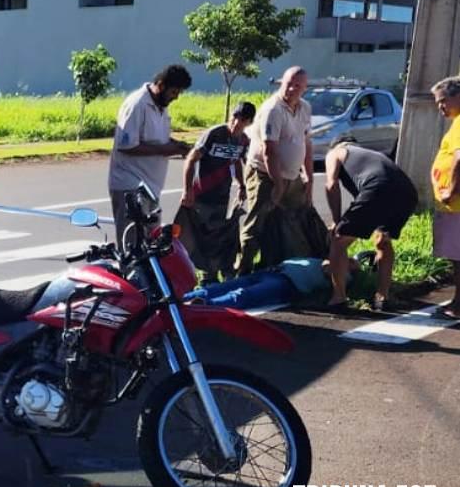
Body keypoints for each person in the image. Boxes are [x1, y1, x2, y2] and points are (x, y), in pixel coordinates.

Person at [323, 140, 418, 312]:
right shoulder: (372, 155)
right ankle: (382, 298)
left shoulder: (336, 152)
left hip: (378, 186)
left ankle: (338, 299)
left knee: (339, 240)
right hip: (407, 192)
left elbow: (331, 184)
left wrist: (337, 221)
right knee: (383, 241)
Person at [236, 66, 314, 274]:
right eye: (288, 84)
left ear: (304, 88)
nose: (291, 89)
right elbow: (269, 150)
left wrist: (309, 179)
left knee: (296, 216)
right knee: (256, 223)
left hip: (292, 175)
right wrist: (278, 184)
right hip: (264, 173)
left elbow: (306, 143)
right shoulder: (273, 109)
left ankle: (281, 265)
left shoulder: (305, 108)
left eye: (297, 86)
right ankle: (242, 270)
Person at [108, 65, 193, 245]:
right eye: (174, 92)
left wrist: (178, 145)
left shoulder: (161, 106)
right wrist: (166, 150)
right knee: (132, 247)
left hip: (150, 188)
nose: (176, 97)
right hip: (130, 187)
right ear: (161, 85)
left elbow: (157, 139)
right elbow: (126, 145)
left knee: (152, 246)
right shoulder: (137, 104)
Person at [177, 101, 256, 280]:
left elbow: (237, 161)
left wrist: (242, 185)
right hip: (202, 195)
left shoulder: (242, 141)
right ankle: (205, 276)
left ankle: (217, 272)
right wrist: (187, 190)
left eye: (242, 120)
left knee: (218, 235)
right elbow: (191, 159)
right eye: (235, 117)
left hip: (222, 196)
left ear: (248, 123)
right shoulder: (215, 134)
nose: (237, 123)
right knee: (200, 237)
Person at [185, 256, 357, 310]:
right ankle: (179, 299)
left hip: (287, 284)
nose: (349, 259)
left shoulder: (344, 277)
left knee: (244, 295)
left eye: (353, 262)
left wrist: (339, 262)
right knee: (227, 286)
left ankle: (204, 306)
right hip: (273, 271)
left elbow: (328, 269)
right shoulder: (321, 258)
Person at [430, 77, 460, 319]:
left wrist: (451, 190)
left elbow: (459, 159)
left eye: (443, 102)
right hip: (453, 206)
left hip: (457, 205)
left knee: (458, 257)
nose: (440, 107)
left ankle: (458, 304)